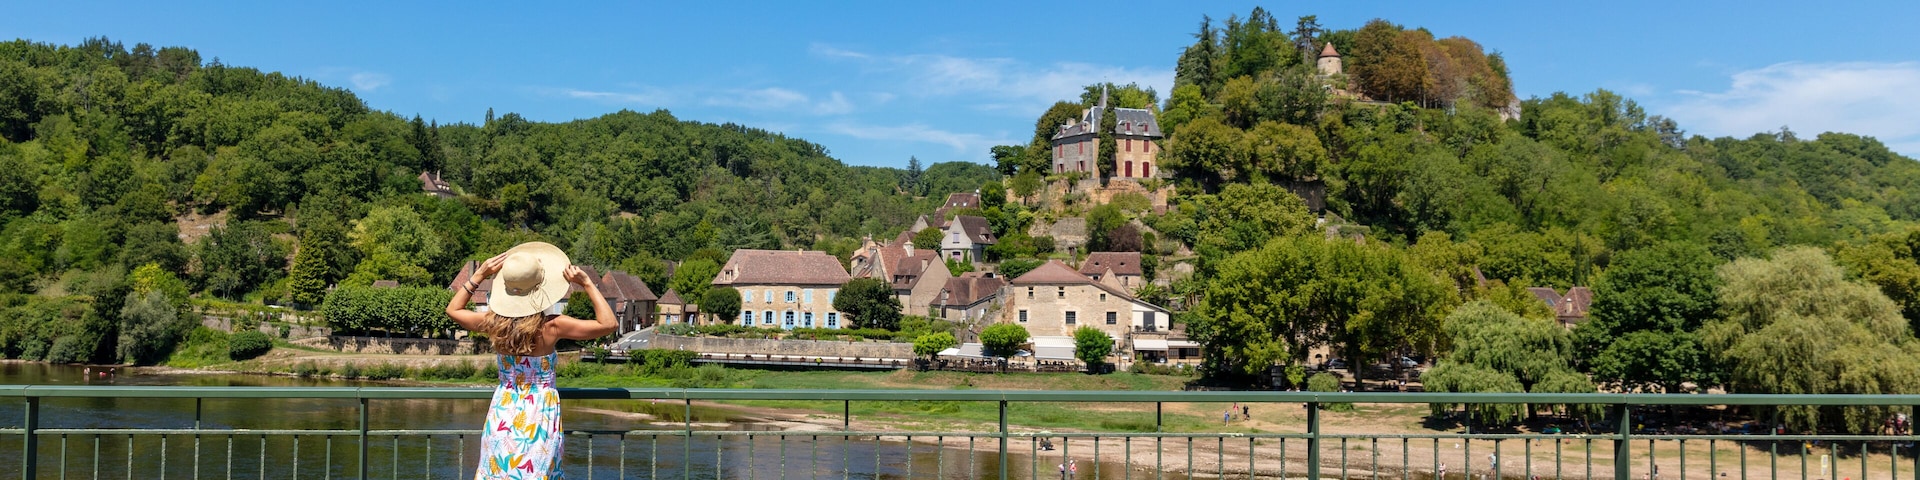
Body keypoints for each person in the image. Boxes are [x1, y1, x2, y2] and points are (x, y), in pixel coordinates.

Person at [446, 242, 617, 479]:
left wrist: (479, 275)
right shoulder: (552, 325)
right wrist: (587, 283)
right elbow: (609, 324)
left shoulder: (494, 323)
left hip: (502, 412)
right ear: (541, 287)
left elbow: (453, 310)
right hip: (539, 414)